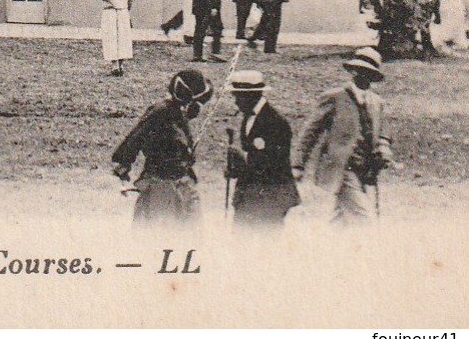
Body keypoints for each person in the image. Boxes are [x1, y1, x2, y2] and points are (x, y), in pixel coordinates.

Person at [294, 47, 394, 223]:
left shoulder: (377, 103)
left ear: (374, 76)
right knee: (365, 218)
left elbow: (383, 132)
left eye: (369, 72)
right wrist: (298, 164)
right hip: (340, 166)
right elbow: (310, 132)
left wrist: (383, 148)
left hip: (364, 168)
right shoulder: (334, 98)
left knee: (341, 218)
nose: (363, 76)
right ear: (353, 71)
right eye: (360, 70)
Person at [111, 69, 213, 223]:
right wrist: (124, 163)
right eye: (197, 102)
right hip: (160, 180)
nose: (198, 108)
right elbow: (137, 135)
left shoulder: (178, 113)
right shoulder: (161, 111)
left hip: (181, 180)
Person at [223, 70, 299, 227]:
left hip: (270, 195)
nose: (236, 102)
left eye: (238, 96)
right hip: (250, 194)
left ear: (253, 95)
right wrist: (234, 168)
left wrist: (242, 162)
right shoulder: (248, 117)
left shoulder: (276, 122)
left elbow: (274, 164)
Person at [97, 0, 135, 76]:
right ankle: (121, 65)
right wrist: (127, 12)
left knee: (111, 37)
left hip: (110, 12)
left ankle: (115, 65)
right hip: (123, 12)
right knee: (123, 38)